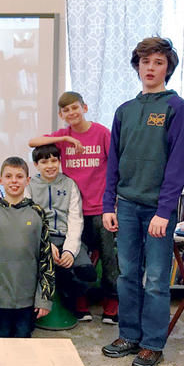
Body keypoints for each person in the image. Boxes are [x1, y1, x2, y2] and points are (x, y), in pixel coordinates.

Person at [101, 37, 184, 366]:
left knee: (155, 279)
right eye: (145, 62)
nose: (150, 68)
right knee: (127, 274)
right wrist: (108, 204)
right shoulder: (125, 110)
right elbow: (114, 161)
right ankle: (129, 334)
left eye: (157, 62)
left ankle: (152, 344)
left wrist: (163, 211)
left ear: (168, 68)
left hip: (159, 210)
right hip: (125, 205)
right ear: (137, 67)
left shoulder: (178, 109)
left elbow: (178, 165)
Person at [29, 91, 118, 324]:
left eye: (75, 108)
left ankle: (112, 301)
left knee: (110, 257)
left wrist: (114, 201)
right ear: (61, 114)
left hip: (100, 208)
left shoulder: (101, 133)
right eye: (66, 110)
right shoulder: (62, 136)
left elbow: (115, 167)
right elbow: (32, 143)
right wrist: (66, 140)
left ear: (85, 107)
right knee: (79, 258)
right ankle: (81, 302)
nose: (71, 113)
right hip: (73, 211)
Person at [0, 156, 55, 337]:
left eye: (19, 176)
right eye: (9, 176)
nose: (14, 181)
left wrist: (44, 298)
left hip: (27, 301)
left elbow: (46, 258)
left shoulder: (37, 213)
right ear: (0, 180)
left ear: (27, 181)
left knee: (22, 345)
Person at [28, 144, 96, 325]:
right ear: (36, 165)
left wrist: (69, 251)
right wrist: (45, 244)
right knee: (47, 265)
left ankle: (69, 296)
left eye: (54, 160)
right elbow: (30, 219)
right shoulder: (30, 186)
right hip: (42, 238)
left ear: (59, 161)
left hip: (67, 238)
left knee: (87, 273)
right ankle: (48, 303)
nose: (50, 165)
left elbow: (76, 219)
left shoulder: (69, 184)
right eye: (44, 161)